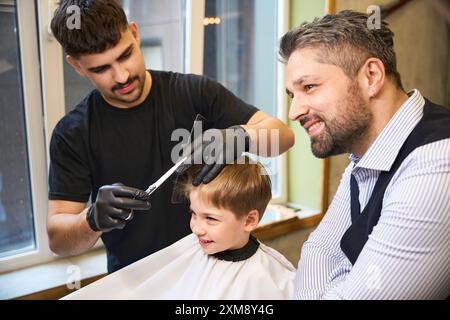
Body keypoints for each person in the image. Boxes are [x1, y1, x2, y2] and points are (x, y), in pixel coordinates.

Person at [47, 0, 294, 274]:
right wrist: (91, 219)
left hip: (214, 273)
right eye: (101, 69)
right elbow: (59, 241)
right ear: (78, 67)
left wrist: (241, 136)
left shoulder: (194, 93)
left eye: (125, 54)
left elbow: (283, 137)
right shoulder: (73, 133)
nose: (122, 75)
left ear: (135, 33)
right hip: (139, 284)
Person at [280, 10, 449, 299]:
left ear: (371, 76)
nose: (294, 112)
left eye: (309, 87)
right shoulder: (368, 152)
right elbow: (320, 250)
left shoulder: (437, 164)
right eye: (292, 95)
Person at [62, 158, 296, 299]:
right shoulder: (191, 249)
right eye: (193, 214)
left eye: (210, 219)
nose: (197, 228)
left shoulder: (269, 277)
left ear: (249, 220)